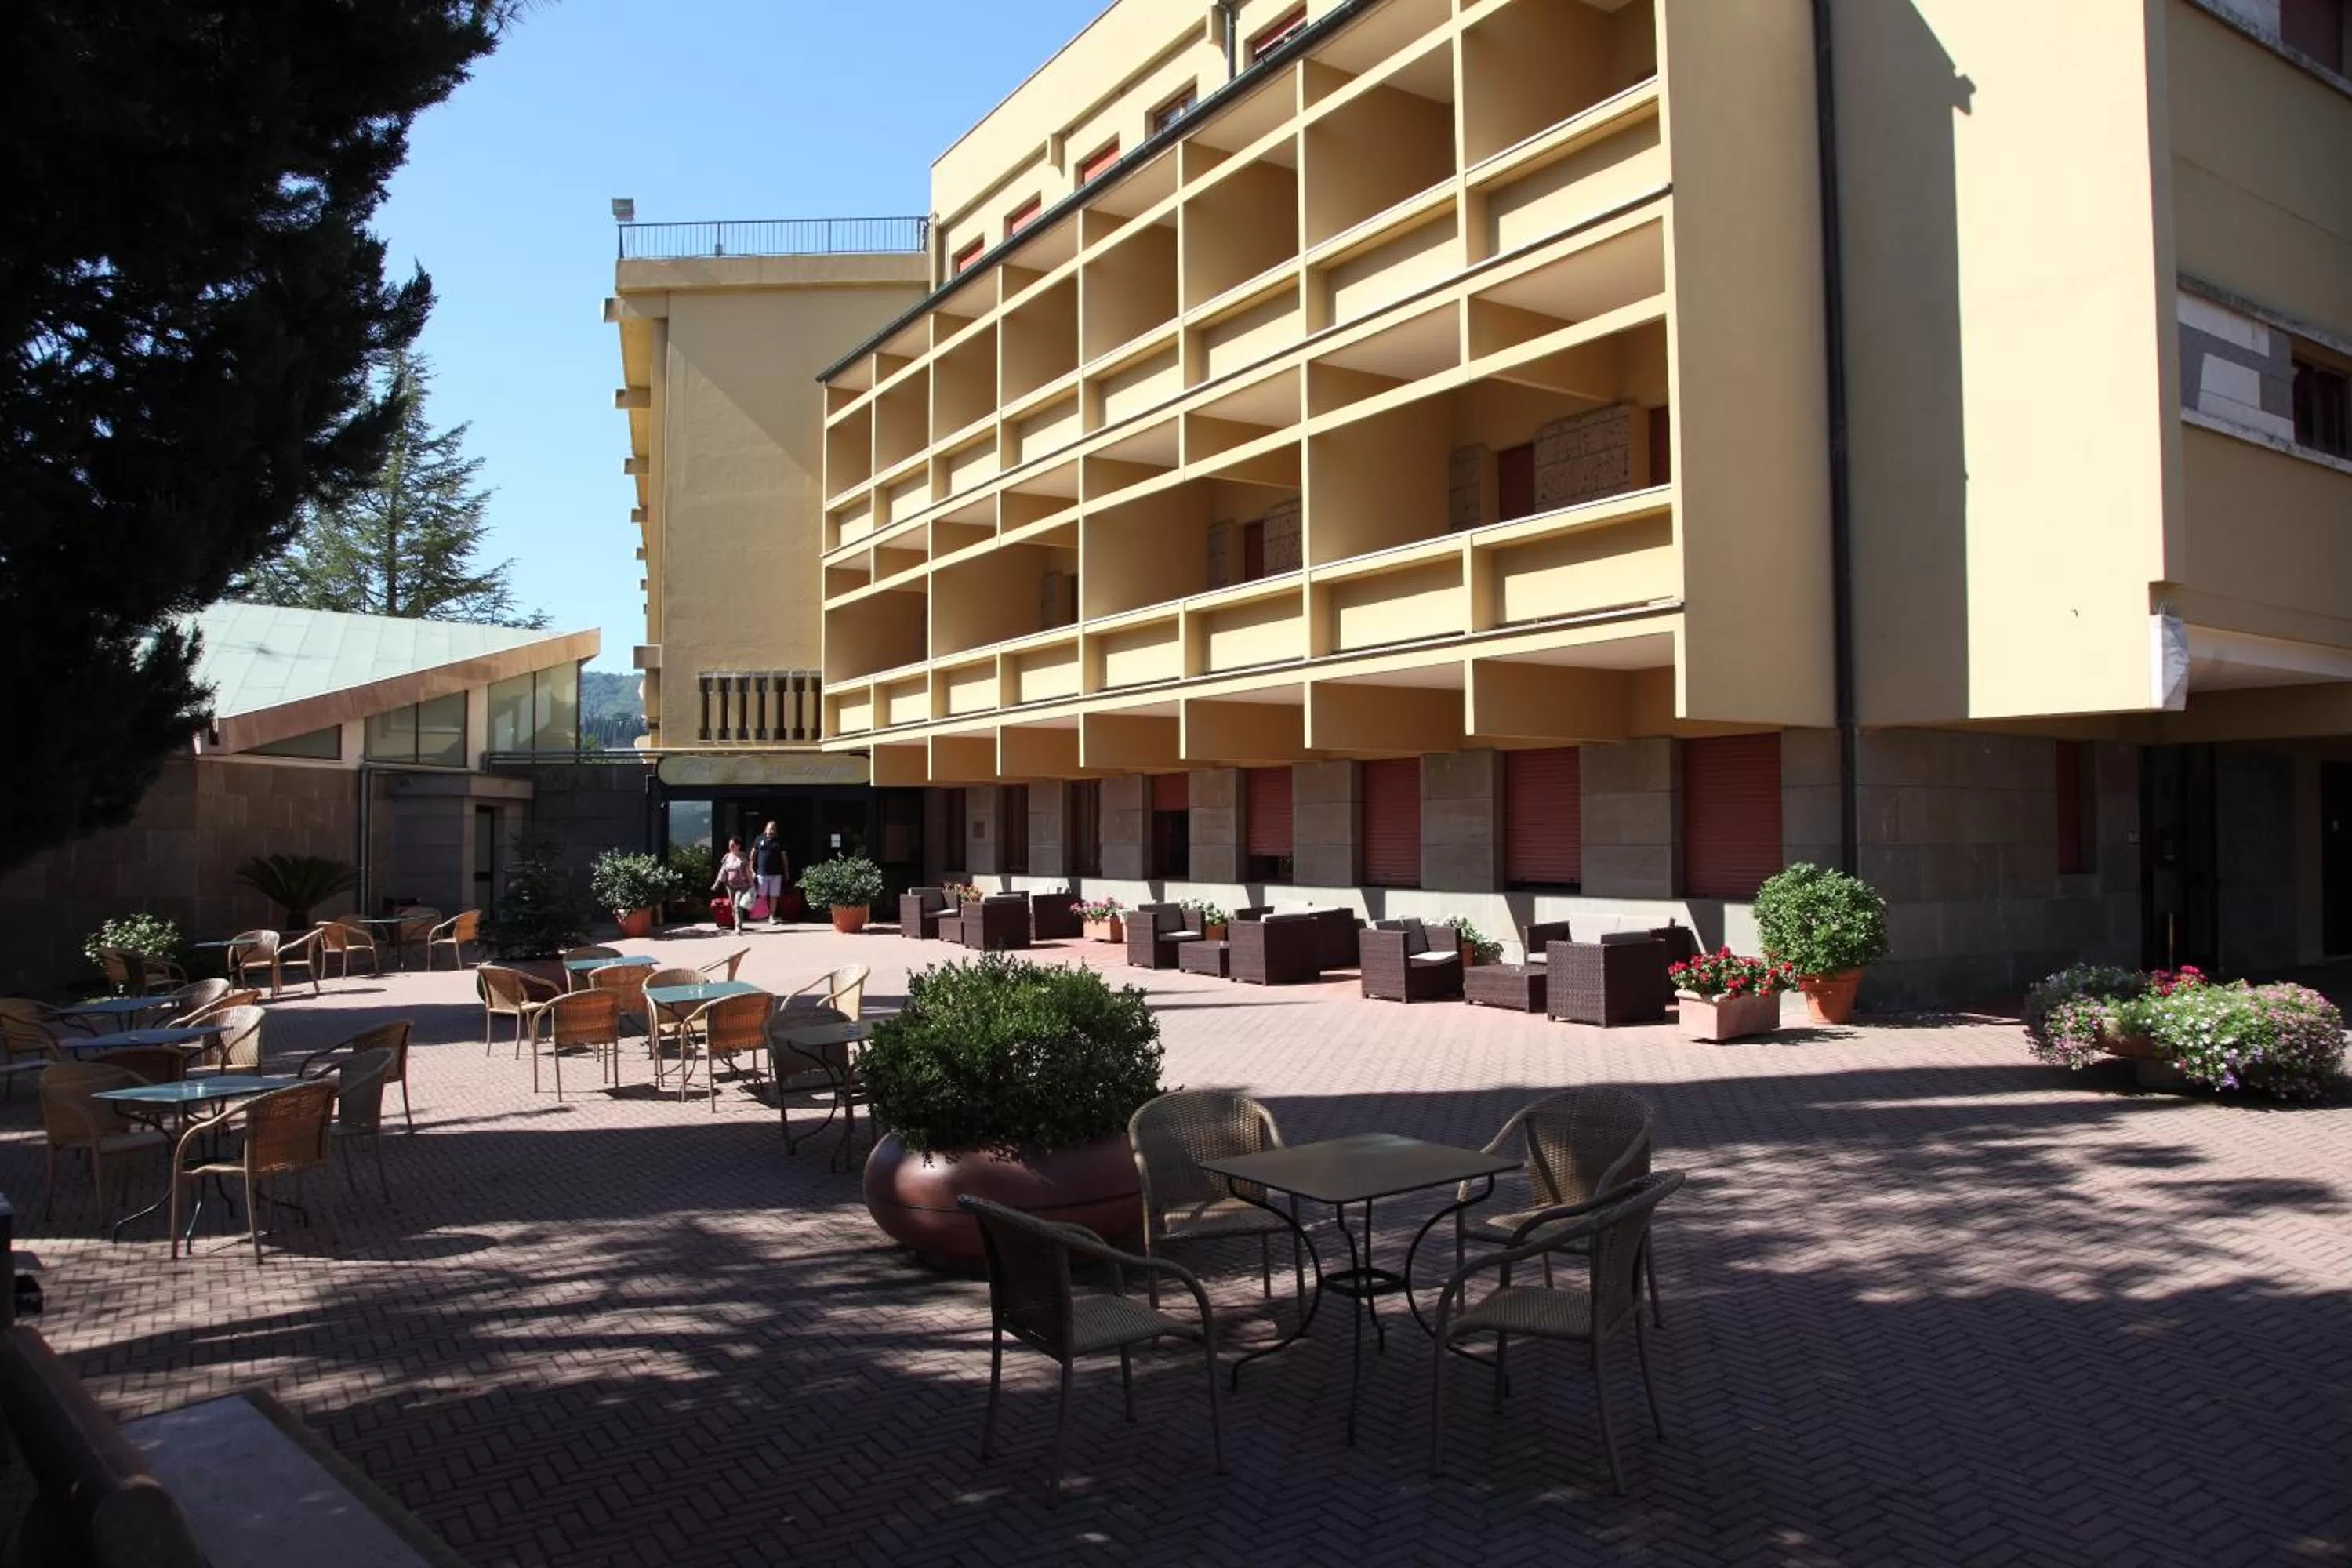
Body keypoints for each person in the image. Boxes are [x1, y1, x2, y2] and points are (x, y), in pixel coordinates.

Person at [752, 821, 789, 928]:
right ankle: (761, 914)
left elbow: (784, 857)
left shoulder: (779, 841)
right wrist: (751, 868)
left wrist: (786, 871)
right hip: (762, 872)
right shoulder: (759, 839)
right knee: (762, 895)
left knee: (774, 896)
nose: (772, 830)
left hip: (776, 873)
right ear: (766, 828)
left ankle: (771, 916)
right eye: (771, 828)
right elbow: (753, 854)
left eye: (774, 828)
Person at [713, 837, 753, 927]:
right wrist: (717, 883)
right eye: (730, 845)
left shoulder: (743, 856)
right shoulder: (727, 857)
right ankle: (737, 923)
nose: (730, 847)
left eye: (733, 845)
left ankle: (738, 926)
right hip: (730, 885)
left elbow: (748, 871)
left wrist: (752, 884)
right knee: (733, 906)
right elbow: (722, 871)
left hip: (742, 885)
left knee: (737, 904)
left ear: (738, 846)